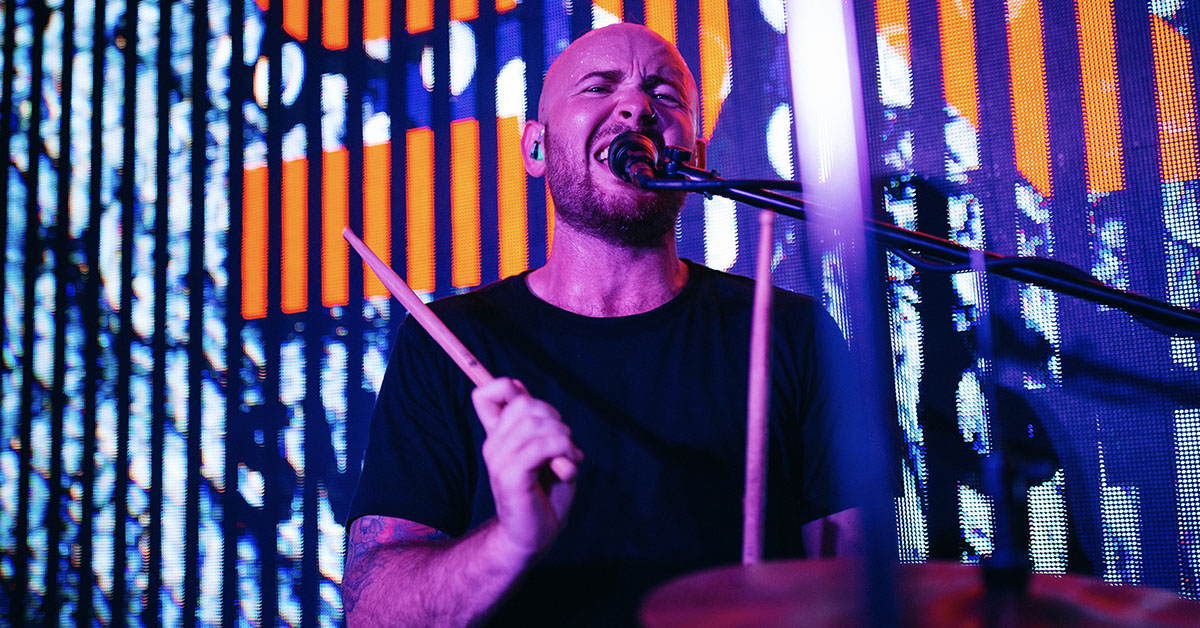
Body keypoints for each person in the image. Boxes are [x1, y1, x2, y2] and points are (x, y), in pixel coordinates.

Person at [342, 23, 864, 626]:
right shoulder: (448, 342)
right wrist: (510, 539)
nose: (637, 106)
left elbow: (859, 589)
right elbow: (372, 612)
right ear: (535, 148)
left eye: (665, 96)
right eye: (599, 86)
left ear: (690, 157)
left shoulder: (791, 334)